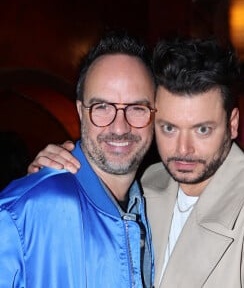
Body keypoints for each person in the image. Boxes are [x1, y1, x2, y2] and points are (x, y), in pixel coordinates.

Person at [28, 37, 244, 287]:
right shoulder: (147, 185)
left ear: (232, 125)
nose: (183, 149)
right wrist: (48, 175)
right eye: (169, 128)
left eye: (202, 129)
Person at [0, 31, 155, 287]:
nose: (119, 127)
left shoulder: (159, 209)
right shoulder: (23, 211)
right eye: (102, 107)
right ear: (80, 112)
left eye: (136, 108)